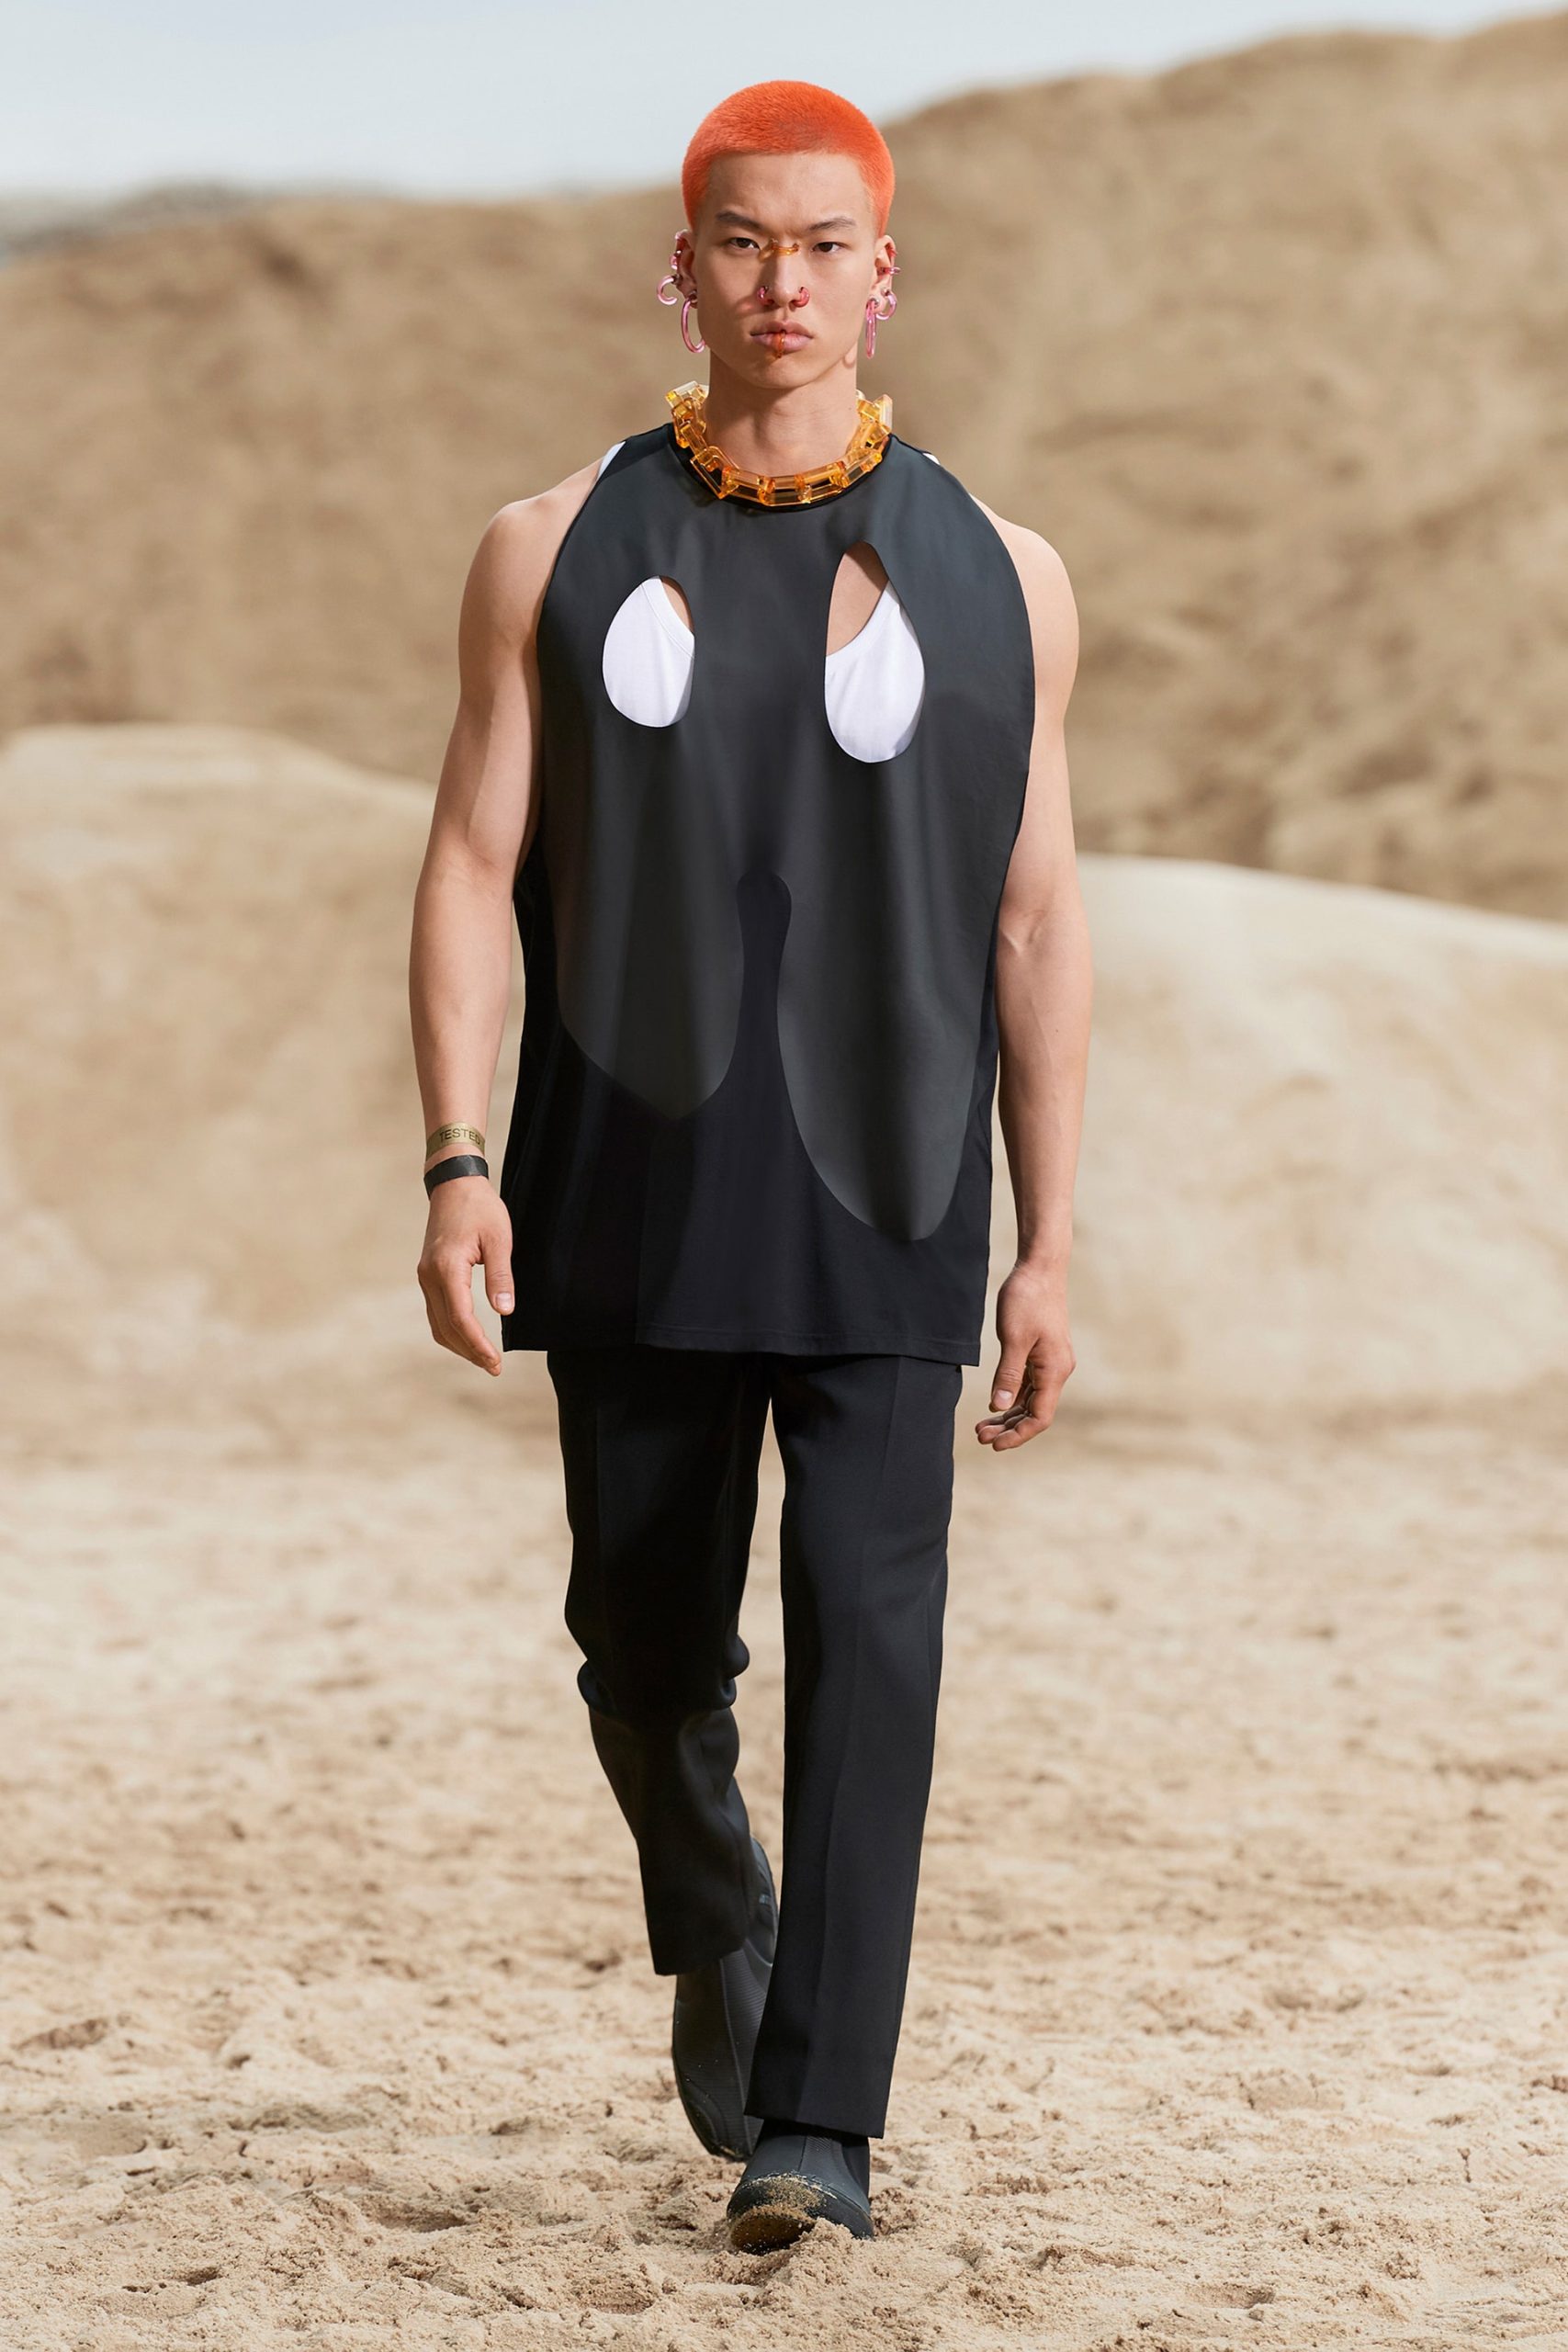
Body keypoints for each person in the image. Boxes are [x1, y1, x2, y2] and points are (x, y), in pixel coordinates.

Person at [408, 77, 1091, 2252]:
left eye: (820, 245)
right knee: (637, 1644)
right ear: (679, 266)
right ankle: (711, 1896)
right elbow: (470, 856)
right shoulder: (546, 546)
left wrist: (1047, 1237)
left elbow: (1032, 917)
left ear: (882, 275)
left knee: (870, 1650)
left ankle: (821, 2120)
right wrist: (455, 1157)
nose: (778, 281)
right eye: (739, 240)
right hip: (624, 1186)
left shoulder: (1007, 578)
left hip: (894, 1196)